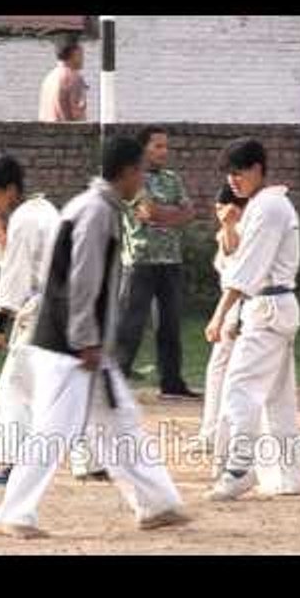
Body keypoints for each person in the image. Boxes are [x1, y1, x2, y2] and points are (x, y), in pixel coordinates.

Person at [0, 136, 189, 539]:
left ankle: (157, 504)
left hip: (79, 341)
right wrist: (85, 338)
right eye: (141, 174)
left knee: (120, 422)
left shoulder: (92, 206)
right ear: (130, 172)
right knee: (54, 429)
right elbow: (82, 281)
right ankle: (14, 513)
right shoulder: (96, 211)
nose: (143, 184)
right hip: (69, 345)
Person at [204, 137, 300, 501]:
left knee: (239, 387)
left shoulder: (270, 207)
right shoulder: (257, 208)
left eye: (239, 172)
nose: (233, 180)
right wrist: (229, 228)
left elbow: (248, 270)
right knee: (277, 397)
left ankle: (239, 468)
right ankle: (287, 476)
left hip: (268, 309)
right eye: (229, 174)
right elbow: (229, 263)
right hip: (266, 308)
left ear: (258, 170)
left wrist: (219, 315)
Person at [0, 154, 61, 486]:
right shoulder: (41, 211)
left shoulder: (26, 218)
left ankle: (15, 465)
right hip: (59, 307)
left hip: (41, 310)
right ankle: (93, 459)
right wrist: (0, 237)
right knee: (56, 388)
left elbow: (16, 275)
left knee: (16, 386)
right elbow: (22, 260)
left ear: (11, 190)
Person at [114, 126, 200, 399]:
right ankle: (115, 382)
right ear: (143, 149)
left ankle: (172, 383)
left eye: (166, 146)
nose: (164, 151)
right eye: (158, 146)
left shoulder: (172, 179)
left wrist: (164, 216)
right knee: (131, 324)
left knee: (170, 324)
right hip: (140, 260)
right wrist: (171, 214)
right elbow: (147, 211)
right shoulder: (133, 180)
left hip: (170, 260)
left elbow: (189, 212)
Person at [192, 184, 248, 458]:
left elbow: (238, 277)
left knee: (233, 375)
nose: (220, 214)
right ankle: (211, 433)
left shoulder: (246, 232)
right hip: (231, 308)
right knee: (218, 371)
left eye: (224, 209)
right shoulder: (226, 232)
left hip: (242, 309)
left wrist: (222, 317)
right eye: (216, 209)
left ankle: (221, 436)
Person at [38, 32, 88, 122]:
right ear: (75, 52)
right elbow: (78, 115)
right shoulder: (74, 77)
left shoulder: (48, 78)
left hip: (45, 133)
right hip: (67, 134)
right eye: (81, 50)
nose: (83, 55)